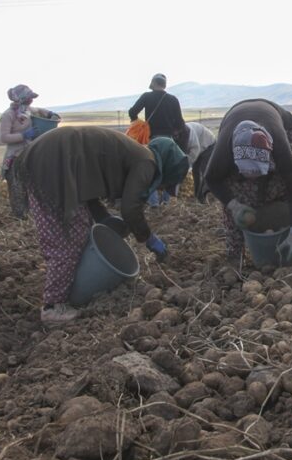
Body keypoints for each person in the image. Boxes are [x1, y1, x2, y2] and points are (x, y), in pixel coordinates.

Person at [12, 126, 188, 323]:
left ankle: (62, 290)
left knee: (72, 230)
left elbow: (87, 190)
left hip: (48, 156)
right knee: (69, 237)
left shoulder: (135, 152)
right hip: (56, 160)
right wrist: (148, 238)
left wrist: (103, 218)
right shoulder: (147, 162)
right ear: (167, 167)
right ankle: (53, 306)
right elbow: (130, 209)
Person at [203, 99, 292, 268]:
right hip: (235, 123)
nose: (253, 178)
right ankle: (235, 256)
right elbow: (211, 179)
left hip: (283, 128)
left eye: (257, 171)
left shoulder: (281, 148)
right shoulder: (224, 152)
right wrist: (235, 206)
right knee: (238, 194)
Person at [0, 84, 60, 218]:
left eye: (31, 98)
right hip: (15, 158)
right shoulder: (8, 115)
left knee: (31, 188)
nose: (31, 100)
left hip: (30, 155)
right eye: (28, 98)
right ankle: (20, 219)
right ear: (20, 99)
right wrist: (24, 135)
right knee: (17, 191)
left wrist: (51, 114)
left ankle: (32, 216)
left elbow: (41, 111)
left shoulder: (28, 110)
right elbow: (4, 137)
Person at [128, 74, 189, 206]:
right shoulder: (173, 99)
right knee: (169, 170)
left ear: (153, 83)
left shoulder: (146, 96)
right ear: (164, 84)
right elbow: (180, 123)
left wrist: (139, 124)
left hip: (152, 141)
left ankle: (153, 203)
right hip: (169, 142)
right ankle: (166, 201)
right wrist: (175, 131)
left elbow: (132, 112)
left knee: (151, 171)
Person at [184, 121, 216, 203]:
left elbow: (195, 151)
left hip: (209, 145)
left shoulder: (190, 133)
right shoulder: (179, 134)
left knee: (204, 171)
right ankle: (197, 194)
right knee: (195, 171)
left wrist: (186, 166)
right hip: (200, 147)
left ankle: (203, 196)